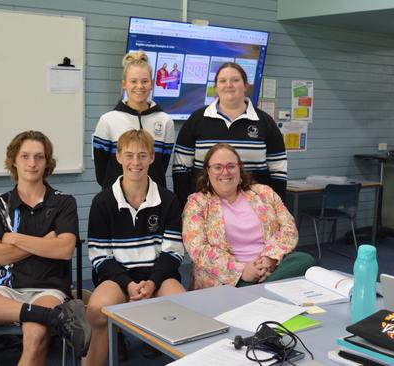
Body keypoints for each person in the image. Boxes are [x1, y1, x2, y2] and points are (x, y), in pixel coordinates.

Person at [0, 130, 90, 363]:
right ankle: (52, 317)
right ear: (14, 160)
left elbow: (64, 250)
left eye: (39, 157)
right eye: (25, 156)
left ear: (47, 162)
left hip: (47, 290)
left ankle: (46, 314)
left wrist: (16, 239)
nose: (32, 163)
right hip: (5, 290)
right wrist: (46, 241)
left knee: (35, 334)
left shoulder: (63, 202)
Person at [84, 129, 186, 366]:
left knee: (183, 307)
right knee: (97, 309)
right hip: (119, 278)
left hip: (158, 276)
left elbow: (173, 252)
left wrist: (152, 282)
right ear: (118, 157)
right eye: (128, 155)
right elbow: (100, 256)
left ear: (152, 158)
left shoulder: (168, 199)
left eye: (142, 155)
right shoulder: (103, 201)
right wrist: (128, 284)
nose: (135, 162)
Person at [182, 143, 315, 289]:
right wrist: (242, 271)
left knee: (304, 259)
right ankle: (263, 289)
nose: (225, 172)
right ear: (208, 171)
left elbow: (288, 227)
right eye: (218, 167)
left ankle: (258, 289)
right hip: (227, 279)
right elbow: (198, 250)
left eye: (231, 166)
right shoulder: (197, 203)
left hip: (270, 267)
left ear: (239, 168)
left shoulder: (263, 193)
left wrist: (269, 258)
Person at [173, 62, 287, 208]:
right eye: (222, 81)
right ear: (216, 87)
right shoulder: (196, 120)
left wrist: (276, 208)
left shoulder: (265, 122)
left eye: (235, 80)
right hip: (205, 210)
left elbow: (278, 171)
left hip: (256, 210)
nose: (229, 85)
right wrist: (185, 206)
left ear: (245, 85)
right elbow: (181, 169)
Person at [93, 51, 175, 190]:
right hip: (116, 200)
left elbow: (161, 166)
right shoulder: (108, 121)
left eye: (144, 81)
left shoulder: (165, 121)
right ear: (124, 84)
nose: (139, 86)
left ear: (152, 84)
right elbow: (101, 173)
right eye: (133, 81)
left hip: (155, 199)